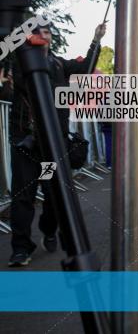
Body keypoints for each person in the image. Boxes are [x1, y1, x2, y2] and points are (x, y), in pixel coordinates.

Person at [3, 20, 105, 268]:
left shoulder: (59, 64)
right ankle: (20, 248)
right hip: (26, 144)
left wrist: (96, 40)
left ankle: (49, 229)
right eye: (37, 33)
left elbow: (86, 67)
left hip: (52, 145)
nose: (42, 36)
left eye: (46, 32)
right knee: (23, 196)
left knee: (53, 196)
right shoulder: (17, 63)